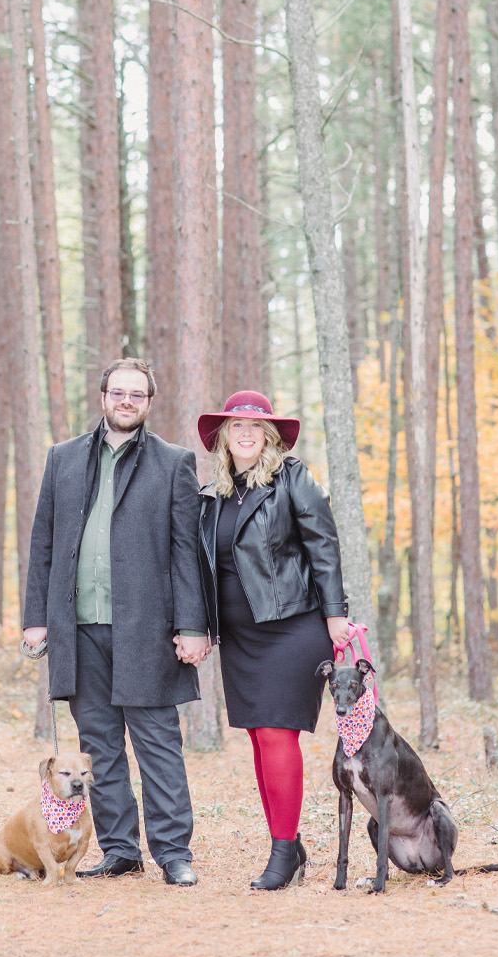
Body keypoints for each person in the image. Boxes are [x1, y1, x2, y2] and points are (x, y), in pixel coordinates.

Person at [22, 358, 209, 886]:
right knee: (99, 748)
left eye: (137, 395)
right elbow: (43, 544)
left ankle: (173, 853)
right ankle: (121, 850)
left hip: (147, 630)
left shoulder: (173, 463)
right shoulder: (62, 459)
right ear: (103, 395)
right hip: (76, 631)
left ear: (149, 403)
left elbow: (186, 552)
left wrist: (192, 626)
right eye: (118, 393)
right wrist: (37, 618)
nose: (126, 402)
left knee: (157, 745)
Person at [196, 390, 350, 890]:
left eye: (255, 427)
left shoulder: (293, 478)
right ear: (223, 437)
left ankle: (282, 854)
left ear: (268, 436)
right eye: (235, 427)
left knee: (279, 733)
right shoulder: (214, 493)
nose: (245, 434)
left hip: (294, 625)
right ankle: (290, 843)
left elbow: (323, 547)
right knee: (260, 737)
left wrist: (335, 616)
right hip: (240, 637)